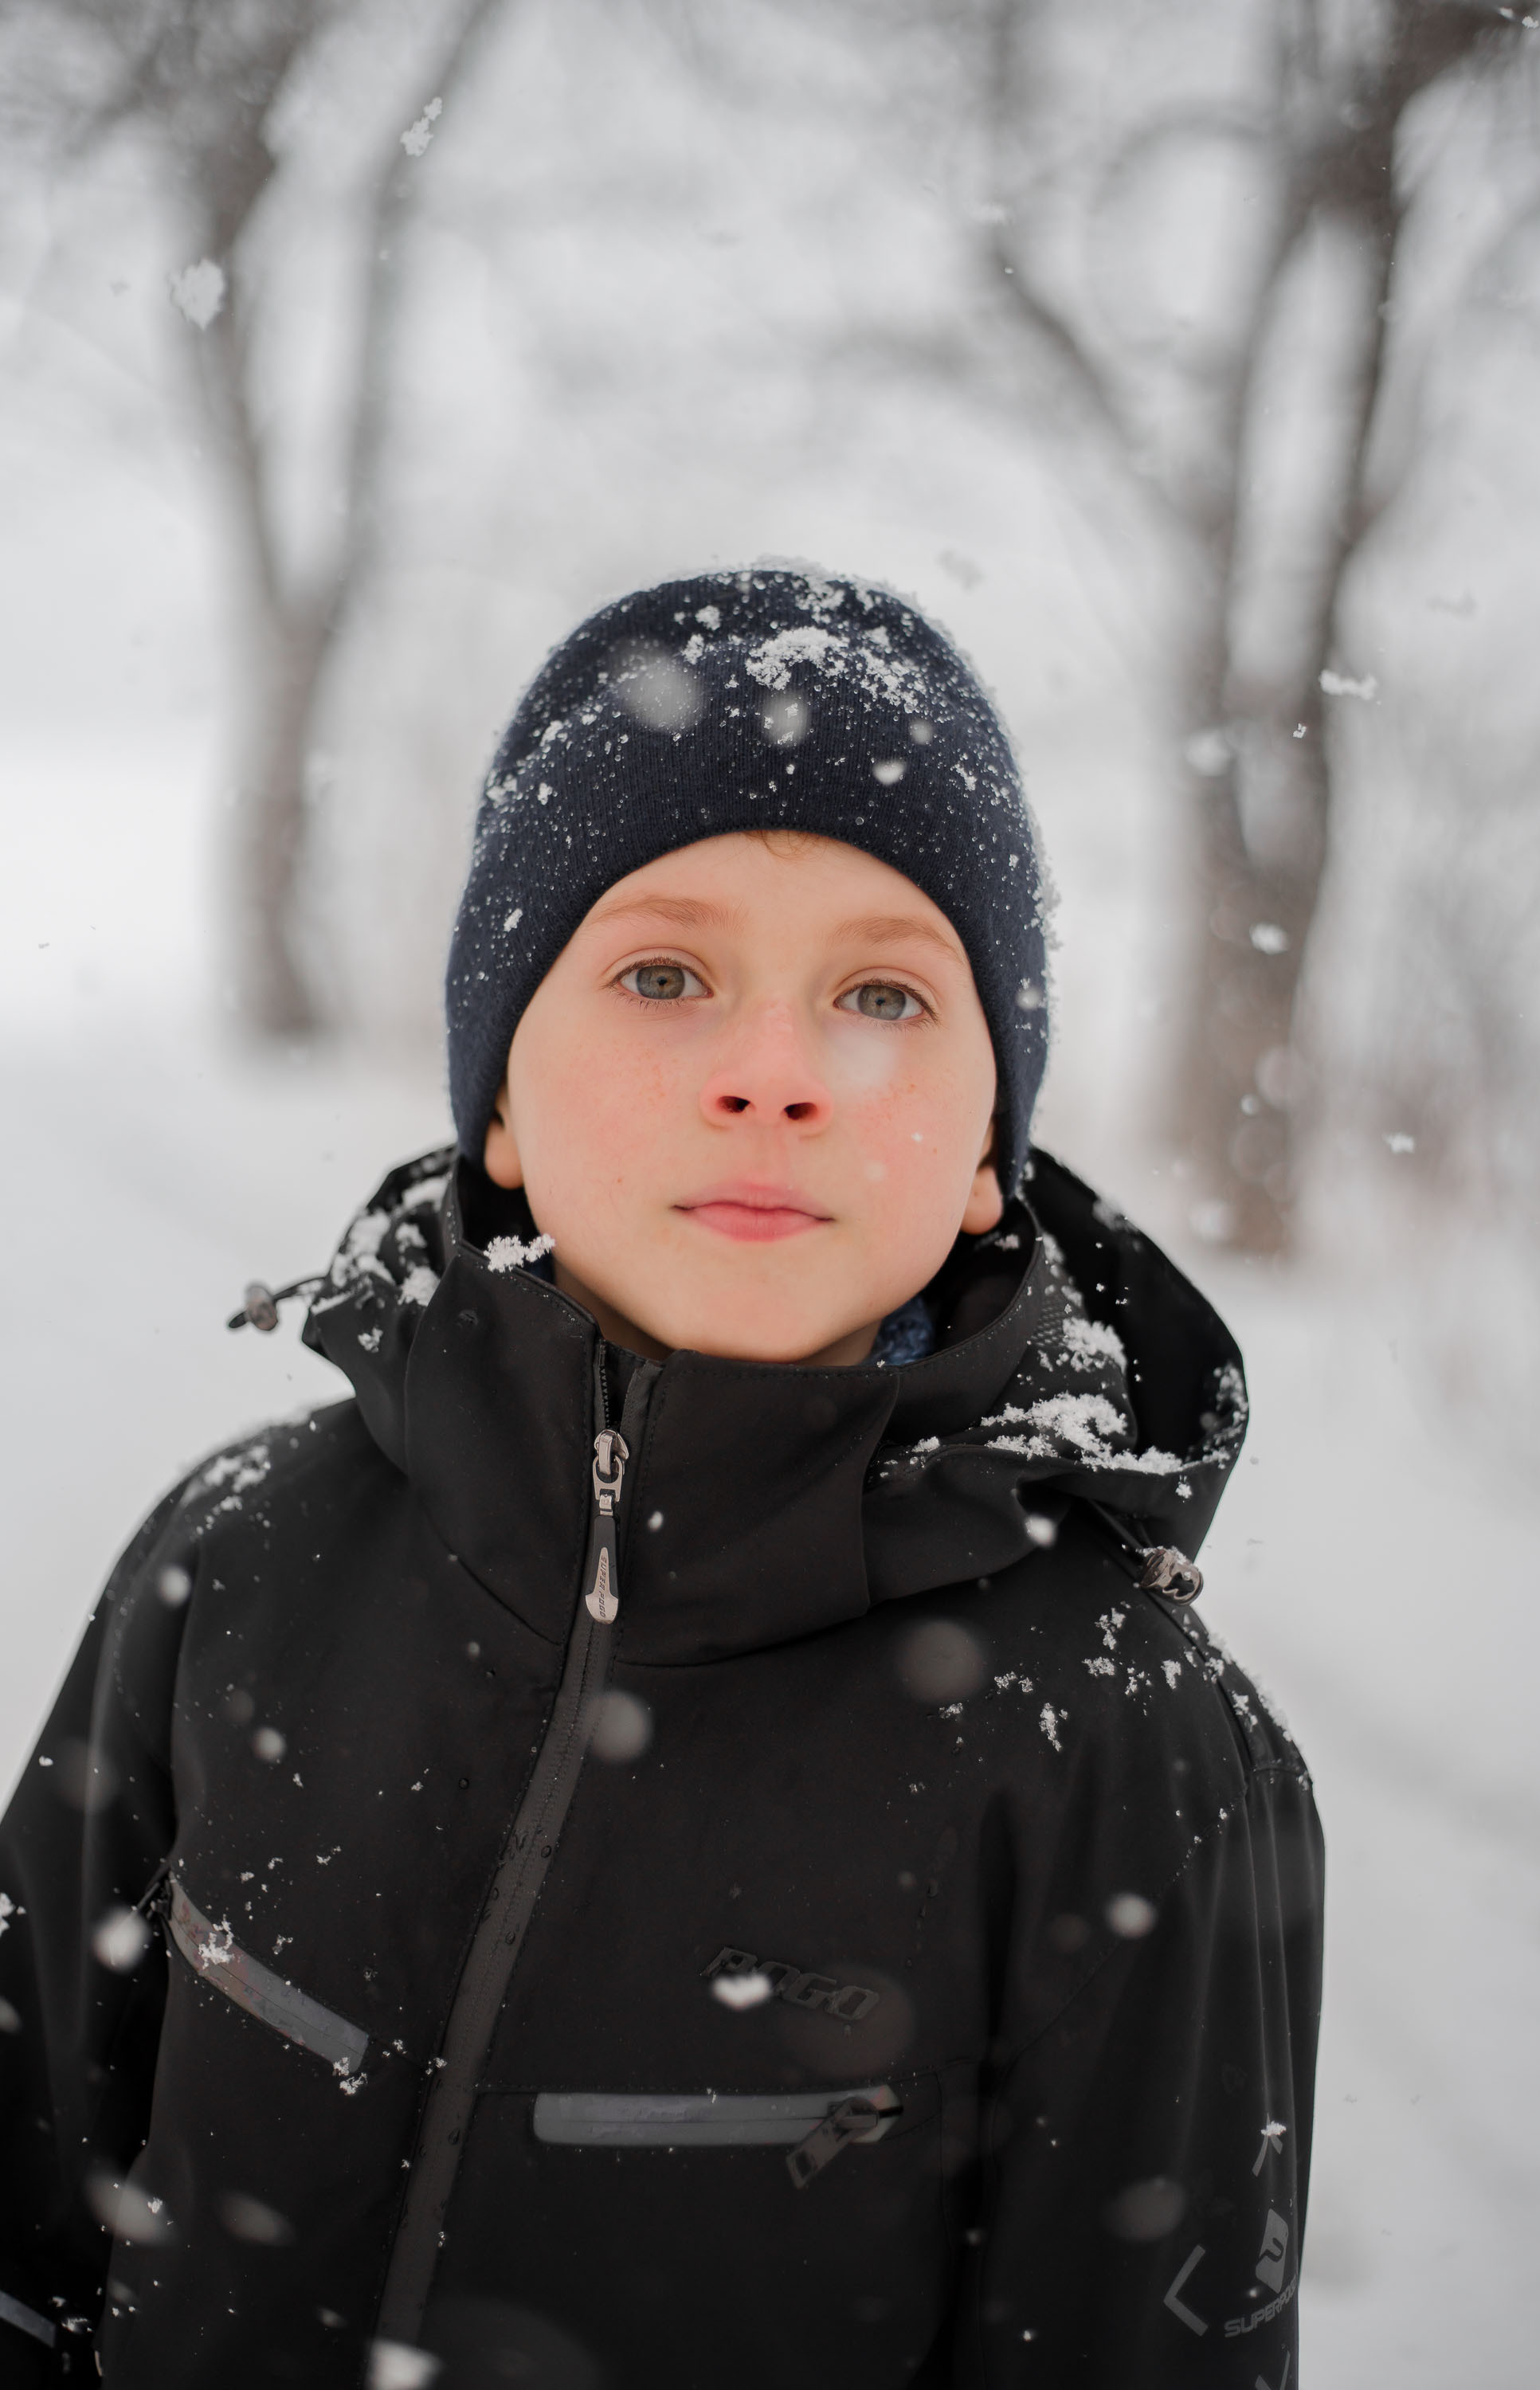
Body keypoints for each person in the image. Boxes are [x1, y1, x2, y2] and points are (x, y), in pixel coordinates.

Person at [0, 568, 1323, 2389]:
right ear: (501, 1104)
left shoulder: (1125, 1741)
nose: (774, 1073)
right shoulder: (240, 1559)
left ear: (984, 1157)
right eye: (663, 974)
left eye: (881, 990)